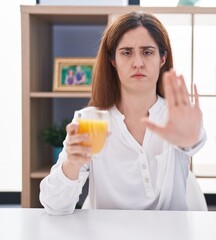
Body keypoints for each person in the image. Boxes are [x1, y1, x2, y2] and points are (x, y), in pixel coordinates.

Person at [39, 11, 206, 215]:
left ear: (163, 58)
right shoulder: (90, 120)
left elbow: (194, 137)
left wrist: (190, 139)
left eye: (147, 52)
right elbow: (54, 206)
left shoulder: (178, 115)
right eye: (126, 52)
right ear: (113, 60)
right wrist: (72, 163)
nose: (138, 63)